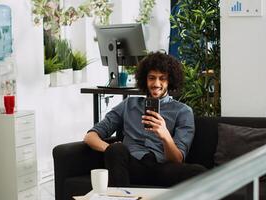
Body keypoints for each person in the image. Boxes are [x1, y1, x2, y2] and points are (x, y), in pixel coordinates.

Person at [84, 52, 206, 187]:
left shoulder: (183, 111)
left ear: (170, 80)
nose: (156, 83)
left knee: (199, 172)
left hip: (163, 168)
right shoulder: (128, 105)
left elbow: (177, 159)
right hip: (131, 167)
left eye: (162, 78)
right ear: (145, 80)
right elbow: (90, 136)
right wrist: (110, 149)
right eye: (152, 78)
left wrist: (165, 135)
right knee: (116, 149)